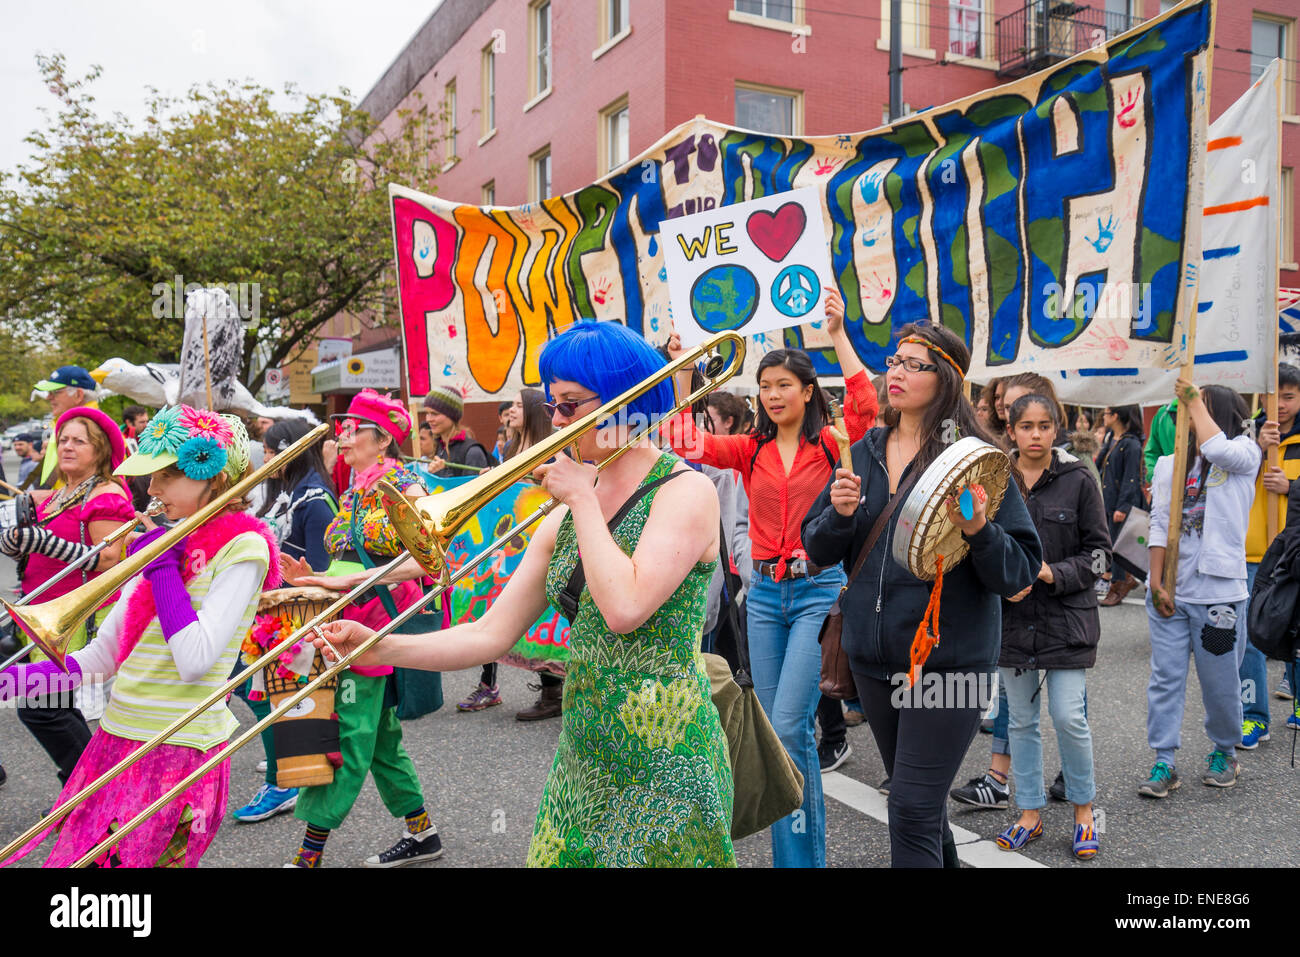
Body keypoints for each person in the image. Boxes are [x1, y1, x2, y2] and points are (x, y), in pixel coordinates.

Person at [313, 320, 736, 867]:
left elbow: (625, 608)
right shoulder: (565, 509)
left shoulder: (686, 490)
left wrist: (583, 502)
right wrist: (380, 647)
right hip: (586, 751)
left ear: (623, 402)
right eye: (552, 404)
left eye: (568, 404)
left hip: (667, 749)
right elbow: (489, 633)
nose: (554, 420)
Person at [801, 323, 1041, 867]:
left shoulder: (973, 459)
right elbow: (814, 548)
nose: (897, 372)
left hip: (948, 664)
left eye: (914, 364)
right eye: (895, 361)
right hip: (871, 659)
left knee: (909, 806)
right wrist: (838, 518)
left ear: (948, 379)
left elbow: (1021, 570)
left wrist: (981, 530)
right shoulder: (861, 452)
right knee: (923, 810)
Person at [0, 405, 276, 867]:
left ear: (213, 475)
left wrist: (163, 569)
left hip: (179, 749)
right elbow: (99, 660)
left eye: (166, 475)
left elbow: (195, 659)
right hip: (117, 738)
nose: (152, 488)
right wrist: (7, 684)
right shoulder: (165, 541)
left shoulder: (243, 547)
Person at [665, 287, 877, 868]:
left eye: (785, 385)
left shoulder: (832, 443)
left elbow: (865, 407)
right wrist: (684, 375)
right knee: (790, 735)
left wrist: (837, 333)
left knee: (787, 727)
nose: (773, 394)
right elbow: (683, 441)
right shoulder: (750, 448)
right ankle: (802, 859)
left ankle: (799, 863)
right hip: (761, 598)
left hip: (817, 591)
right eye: (765, 385)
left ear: (808, 392)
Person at [281, 389, 439, 868]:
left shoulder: (406, 488)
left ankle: (309, 857)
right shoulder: (353, 487)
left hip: (376, 624)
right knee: (380, 737)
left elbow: (430, 560)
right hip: (345, 618)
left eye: (353, 429)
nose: (341, 436)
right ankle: (423, 834)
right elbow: (346, 556)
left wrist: (353, 579)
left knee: (347, 733)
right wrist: (313, 578)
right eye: (342, 427)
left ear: (383, 439)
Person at [993, 395, 1109, 859]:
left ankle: (1084, 810)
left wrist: (1050, 573)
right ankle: (1029, 813)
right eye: (1026, 426)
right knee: (1020, 722)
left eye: (1044, 425)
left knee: (1068, 716)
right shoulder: (995, 480)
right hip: (1013, 622)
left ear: (1056, 429)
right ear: (1012, 430)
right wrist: (1001, 583)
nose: (1035, 434)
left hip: (1067, 621)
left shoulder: (1080, 479)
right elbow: (976, 543)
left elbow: (1100, 555)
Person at [0, 407, 136, 782]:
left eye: (80, 440)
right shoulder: (62, 493)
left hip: (78, 620)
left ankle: (87, 789)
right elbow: (41, 551)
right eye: (63, 440)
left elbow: (110, 559)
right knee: (52, 707)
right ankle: (84, 790)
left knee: (41, 708)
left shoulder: (107, 493)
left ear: (102, 449)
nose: (68, 446)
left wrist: (45, 542)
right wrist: (17, 544)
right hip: (40, 614)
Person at [1141, 382, 1259, 797]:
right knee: (1166, 678)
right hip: (1172, 593)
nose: (1185, 418)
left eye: (1195, 410)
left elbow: (1218, 450)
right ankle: (1164, 760)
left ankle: (1225, 751)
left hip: (1219, 597)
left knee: (1219, 679)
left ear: (1219, 414)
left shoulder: (1245, 454)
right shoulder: (1168, 465)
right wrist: (1155, 582)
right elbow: (1158, 523)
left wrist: (1194, 401)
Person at [230, 418, 338, 823]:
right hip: (266, 608)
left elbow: (322, 568)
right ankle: (284, 760)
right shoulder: (285, 490)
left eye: (273, 450)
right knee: (258, 693)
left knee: (263, 694)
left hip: (291, 615)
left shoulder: (315, 497)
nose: (268, 458)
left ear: (292, 448)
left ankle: (284, 778)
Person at [457, 387, 558, 716]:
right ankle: (488, 683)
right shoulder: (510, 447)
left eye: (518, 405)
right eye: (512, 405)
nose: (511, 410)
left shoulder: (551, 448)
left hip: (535, 539)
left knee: (541, 610)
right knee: (490, 602)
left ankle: (552, 689)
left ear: (532, 410)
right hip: (507, 542)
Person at [1240, 363, 1300, 728]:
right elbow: (1223, 481)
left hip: (1293, 552)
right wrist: (1255, 452)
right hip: (1251, 552)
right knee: (1249, 636)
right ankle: (1253, 715)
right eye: (1274, 396)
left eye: (1289, 397)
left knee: (1295, 633)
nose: (1280, 405)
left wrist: (1292, 488)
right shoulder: (1245, 434)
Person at [1097, 405, 1145, 606]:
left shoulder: (1131, 445)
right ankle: (1125, 578)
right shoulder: (1112, 440)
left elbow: (1130, 478)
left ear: (1116, 416)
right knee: (1111, 543)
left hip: (1120, 503)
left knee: (1118, 546)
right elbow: (1099, 465)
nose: (1103, 417)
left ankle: (1119, 585)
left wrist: (1123, 507)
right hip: (1107, 500)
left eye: (1107, 413)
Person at [31, 365, 100, 486]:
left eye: (55, 392)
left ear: (78, 395)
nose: (48, 397)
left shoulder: (95, 429)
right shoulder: (75, 425)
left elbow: (99, 485)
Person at [423, 384, 491, 479]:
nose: (428, 419)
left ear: (452, 415)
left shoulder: (472, 452)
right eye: (427, 413)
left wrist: (441, 474)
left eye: (434, 414)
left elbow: (473, 490)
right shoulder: (440, 446)